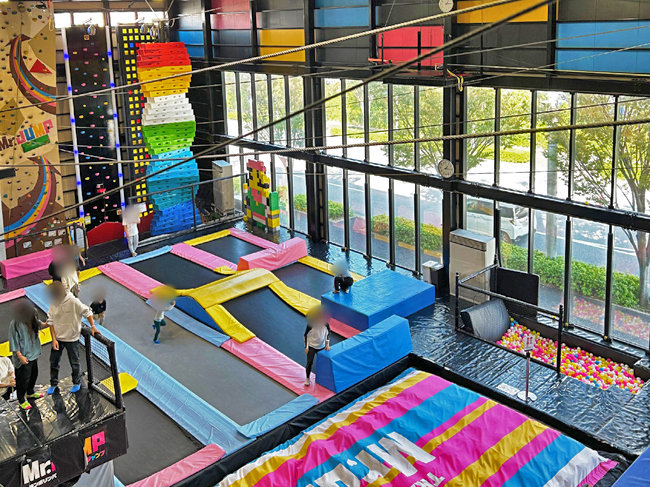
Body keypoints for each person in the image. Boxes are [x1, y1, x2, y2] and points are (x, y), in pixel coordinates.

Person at [46, 281, 98, 395]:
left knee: (74, 362)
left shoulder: (73, 301)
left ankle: (76, 382)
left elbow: (87, 311)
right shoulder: (53, 302)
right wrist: (53, 339)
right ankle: (53, 384)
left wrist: (93, 327)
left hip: (71, 338)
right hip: (58, 338)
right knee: (54, 362)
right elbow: (51, 321)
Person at [9, 299, 46, 410]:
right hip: (23, 356)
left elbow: (39, 323)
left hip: (33, 353)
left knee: (34, 374)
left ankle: (30, 392)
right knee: (23, 379)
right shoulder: (15, 323)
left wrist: (48, 322)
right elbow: (13, 340)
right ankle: (21, 399)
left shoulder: (31, 317)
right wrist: (20, 356)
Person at [303, 305, 331, 387]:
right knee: (309, 363)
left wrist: (327, 344)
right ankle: (307, 378)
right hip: (311, 346)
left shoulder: (325, 324)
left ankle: (322, 379)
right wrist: (306, 347)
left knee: (322, 363)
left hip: (321, 346)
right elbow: (306, 336)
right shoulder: (310, 325)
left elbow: (327, 334)